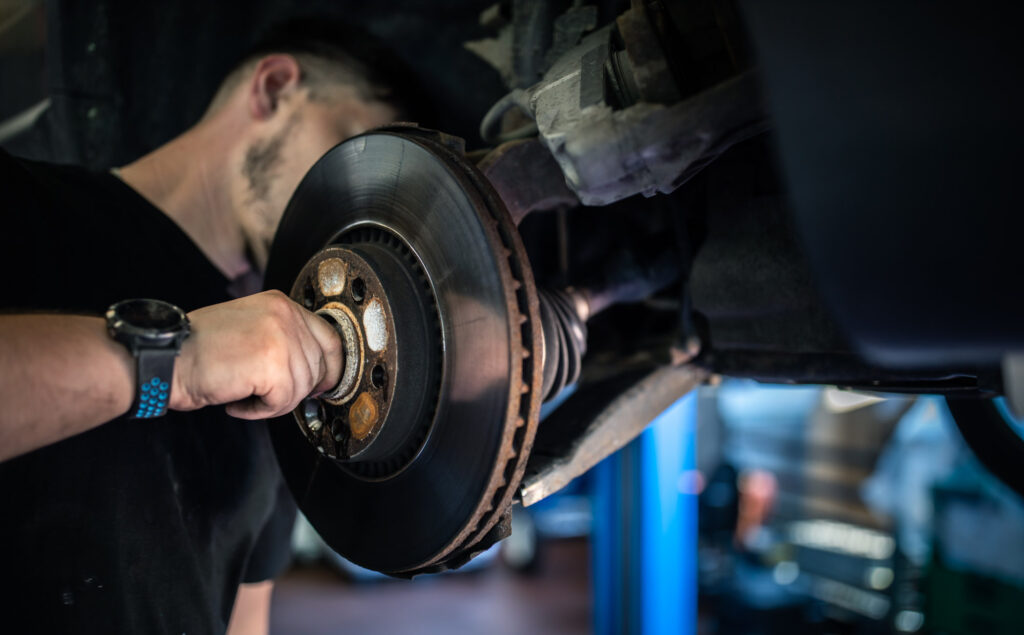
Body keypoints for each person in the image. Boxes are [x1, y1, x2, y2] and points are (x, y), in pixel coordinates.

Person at [0, 18, 411, 634]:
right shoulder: (20, 205)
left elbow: (246, 619)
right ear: (273, 89)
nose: (358, 203)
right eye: (353, 149)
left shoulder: (283, 369)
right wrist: (175, 364)